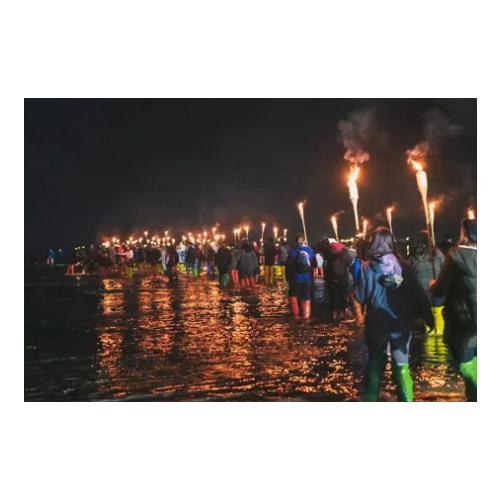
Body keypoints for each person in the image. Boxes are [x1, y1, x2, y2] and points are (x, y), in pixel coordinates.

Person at [355, 227, 434, 402]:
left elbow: (360, 297)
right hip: (400, 323)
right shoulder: (404, 266)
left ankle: (370, 398)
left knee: (375, 364)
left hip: (376, 324)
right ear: (392, 243)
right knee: (402, 365)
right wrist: (429, 318)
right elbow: (419, 294)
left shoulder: (366, 269)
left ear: (373, 244)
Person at [431, 218, 477, 402]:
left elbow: (439, 291)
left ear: (464, 234)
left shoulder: (455, 256)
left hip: (463, 323)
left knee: (465, 366)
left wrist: (434, 286)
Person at [410, 231, 446, 336]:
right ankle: (439, 331)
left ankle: (429, 329)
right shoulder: (437, 253)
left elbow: (410, 271)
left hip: (421, 286)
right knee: (438, 310)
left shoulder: (413, 255)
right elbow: (445, 267)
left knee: (426, 310)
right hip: (436, 284)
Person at [287, 234, 315, 322]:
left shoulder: (293, 251)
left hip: (295, 278)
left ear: (296, 241)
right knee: (306, 297)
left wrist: (288, 277)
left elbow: (289, 265)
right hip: (307, 278)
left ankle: (296, 316)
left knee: (293, 295)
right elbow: (314, 265)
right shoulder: (310, 251)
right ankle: (306, 317)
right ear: (304, 240)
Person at [324, 239, 352, 321]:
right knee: (344, 296)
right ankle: (346, 312)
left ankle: (334, 314)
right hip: (343, 279)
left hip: (332, 280)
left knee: (334, 297)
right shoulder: (345, 255)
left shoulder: (329, 256)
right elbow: (349, 264)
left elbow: (326, 268)